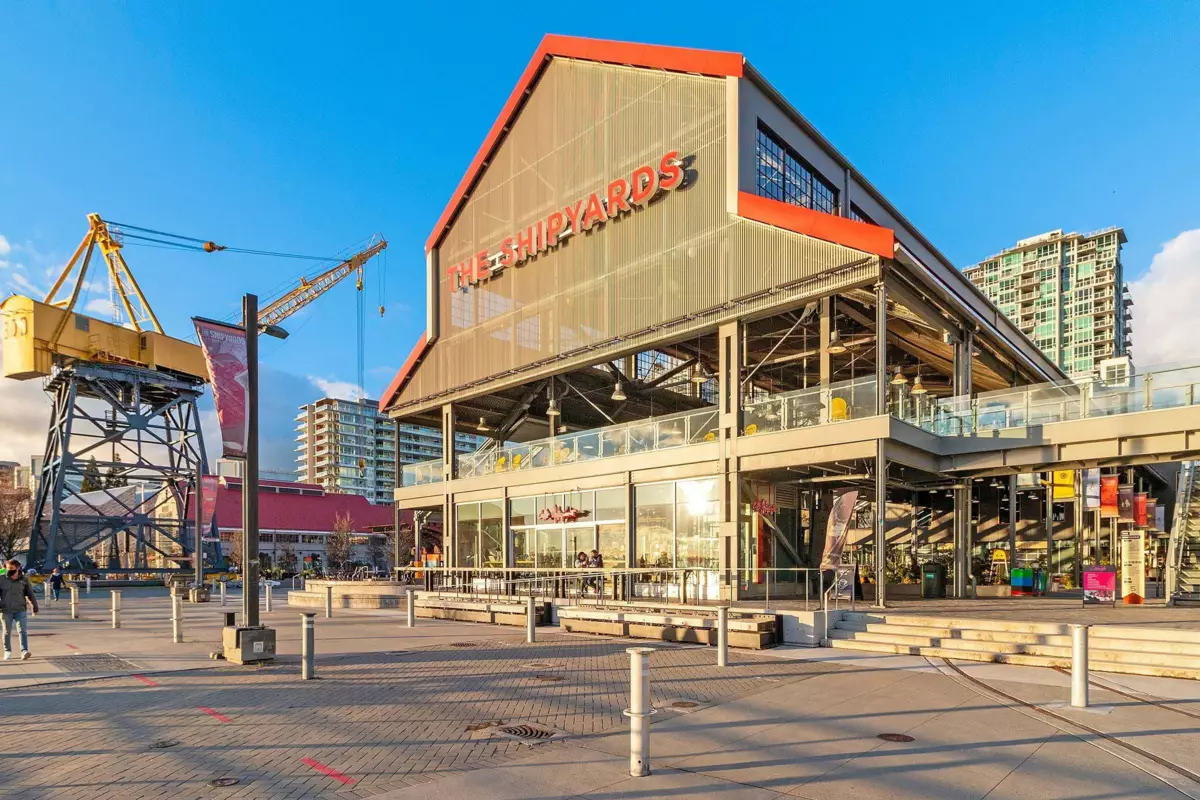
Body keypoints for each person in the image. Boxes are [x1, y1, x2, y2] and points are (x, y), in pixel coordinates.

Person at [1, 559, 39, 661]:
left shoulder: (24, 580)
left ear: (17, 568)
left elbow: (30, 594)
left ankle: (24, 651)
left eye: (12, 569)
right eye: (7, 568)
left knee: (22, 631)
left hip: (20, 609)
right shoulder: (1, 579)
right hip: (5, 610)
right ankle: (7, 651)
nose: (9, 570)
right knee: (6, 631)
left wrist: (34, 606)